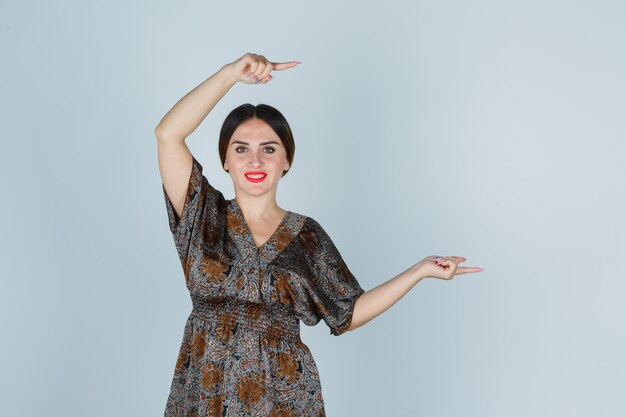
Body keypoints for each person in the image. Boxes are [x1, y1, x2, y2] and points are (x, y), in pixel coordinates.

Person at [155, 52, 484, 417]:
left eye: (269, 149)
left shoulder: (305, 236)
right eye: (241, 149)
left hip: (282, 396)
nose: (255, 161)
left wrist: (419, 271)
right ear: (225, 160)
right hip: (204, 392)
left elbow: (348, 312)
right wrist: (230, 74)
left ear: (287, 160)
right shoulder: (204, 215)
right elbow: (168, 134)